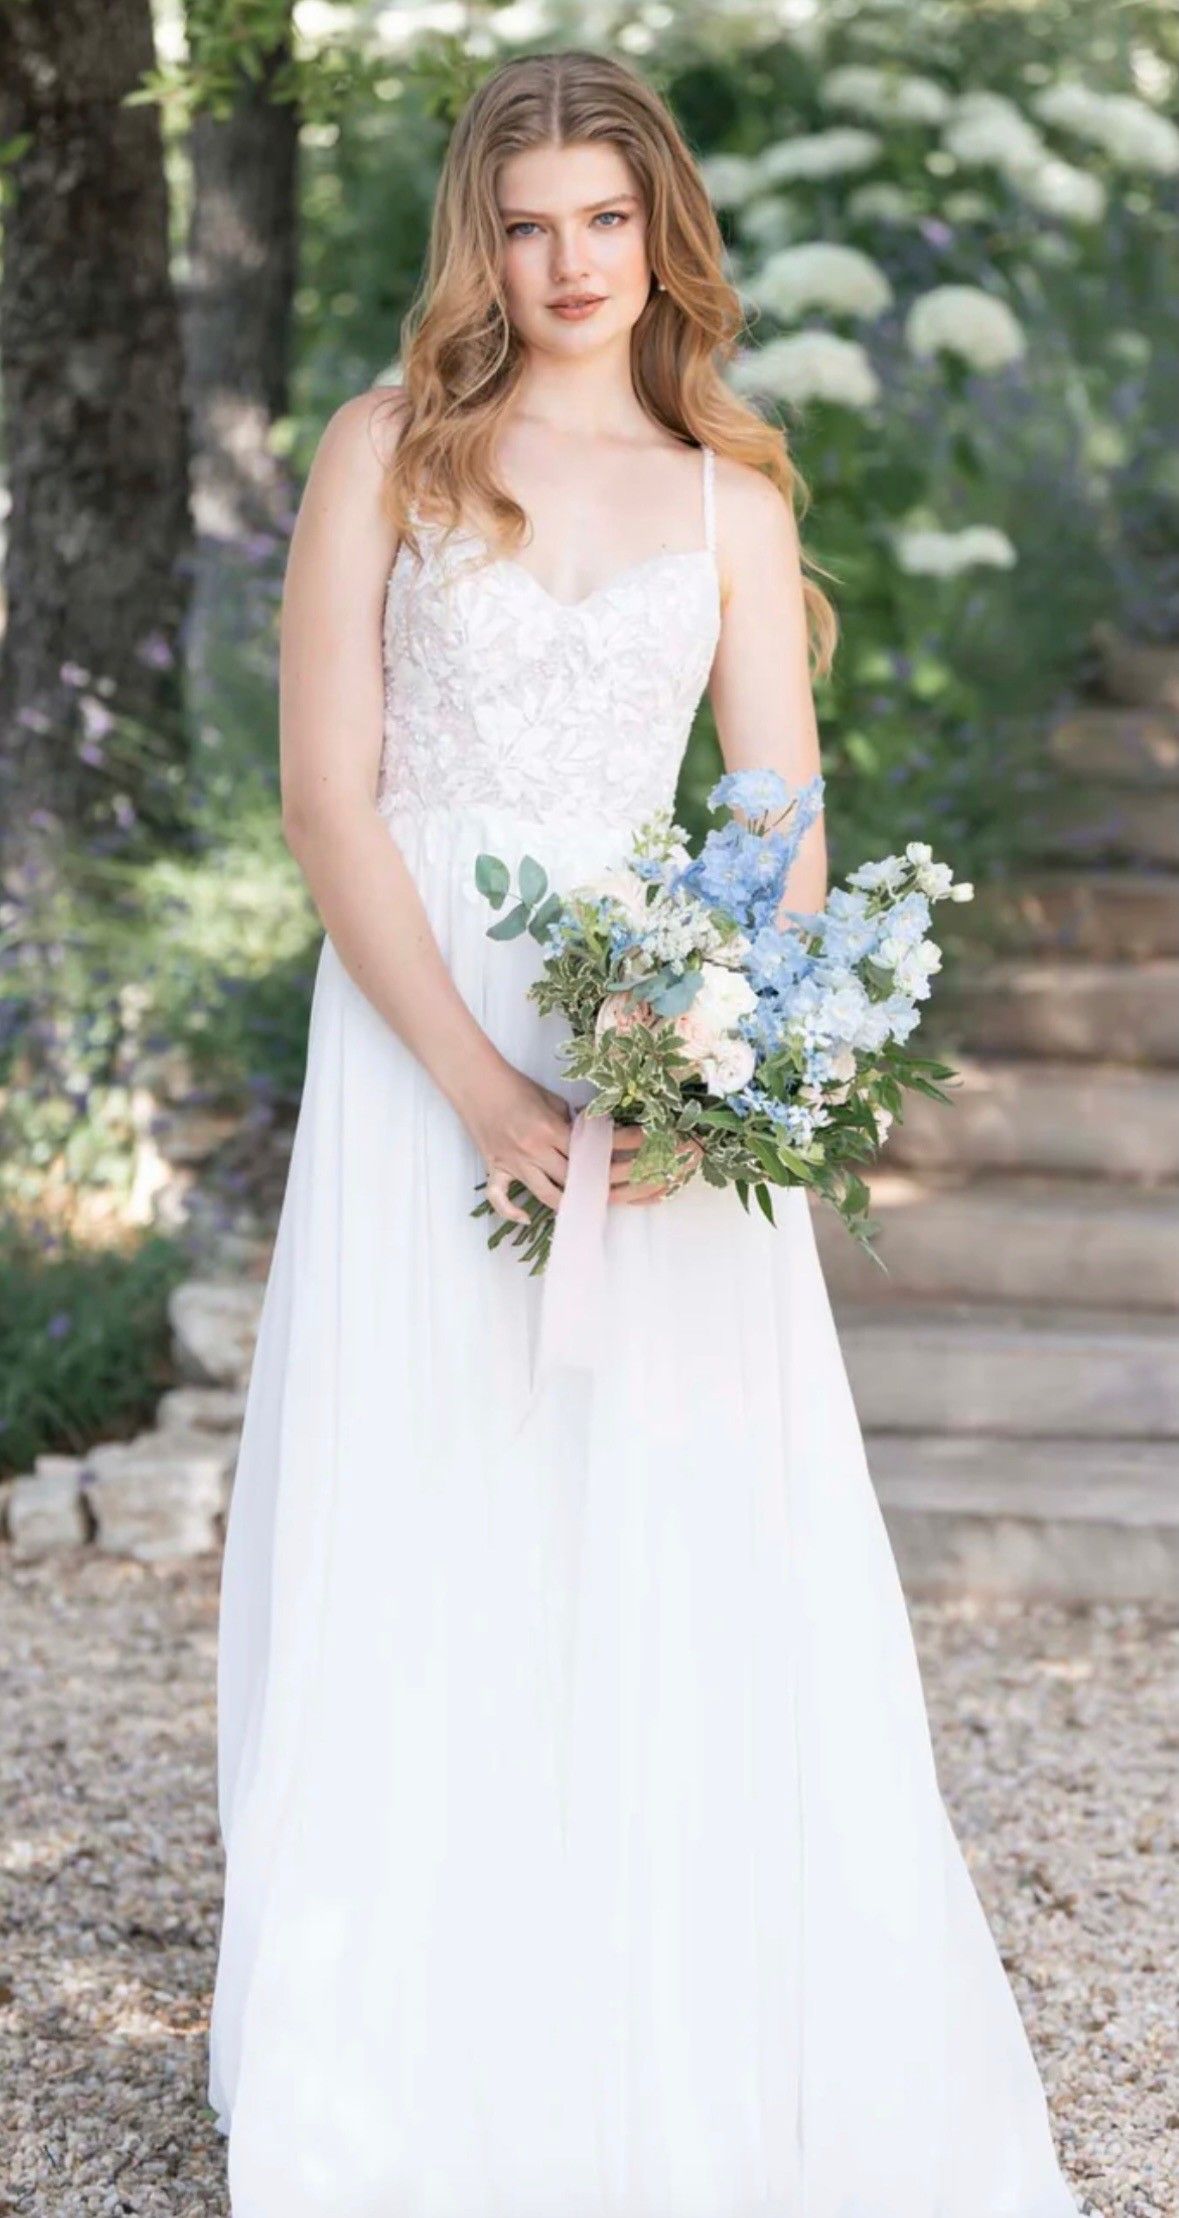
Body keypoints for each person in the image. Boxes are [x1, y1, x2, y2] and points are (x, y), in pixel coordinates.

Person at [208, 47, 1082, 2218]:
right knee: (431, 1495)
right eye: (526, 224)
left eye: (605, 217)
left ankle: (672, 2019)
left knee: (670, 1518)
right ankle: (409, 2039)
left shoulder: (727, 496)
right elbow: (331, 798)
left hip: (649, 1048)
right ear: (475, 244)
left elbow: (777, 835)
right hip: (429, 1033)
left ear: (657, 229)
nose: (568, 262)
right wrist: (483, 1087)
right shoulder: (382, 454)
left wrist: (717, 1077)